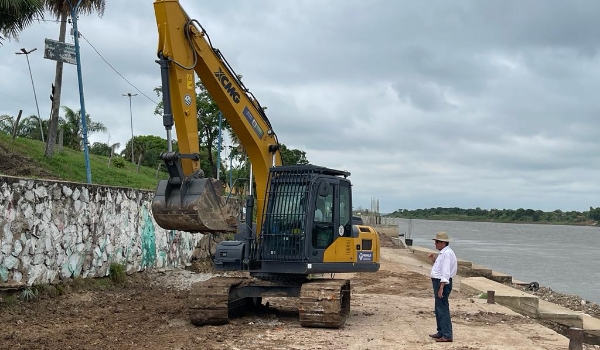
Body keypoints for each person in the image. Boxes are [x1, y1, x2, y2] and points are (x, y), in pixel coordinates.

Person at [427, 231, 457, 343]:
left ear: (442, 243)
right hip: (439, 282)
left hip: (442, 283)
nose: (435, 244)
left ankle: (447, 334)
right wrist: (434, 259)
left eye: (436, 242)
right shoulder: (443, 253)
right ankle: (441, 331)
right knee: (439, 308)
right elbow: (440, 267)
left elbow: (446, 272)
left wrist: (441, 287)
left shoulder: (447, 254)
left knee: (442, 308)